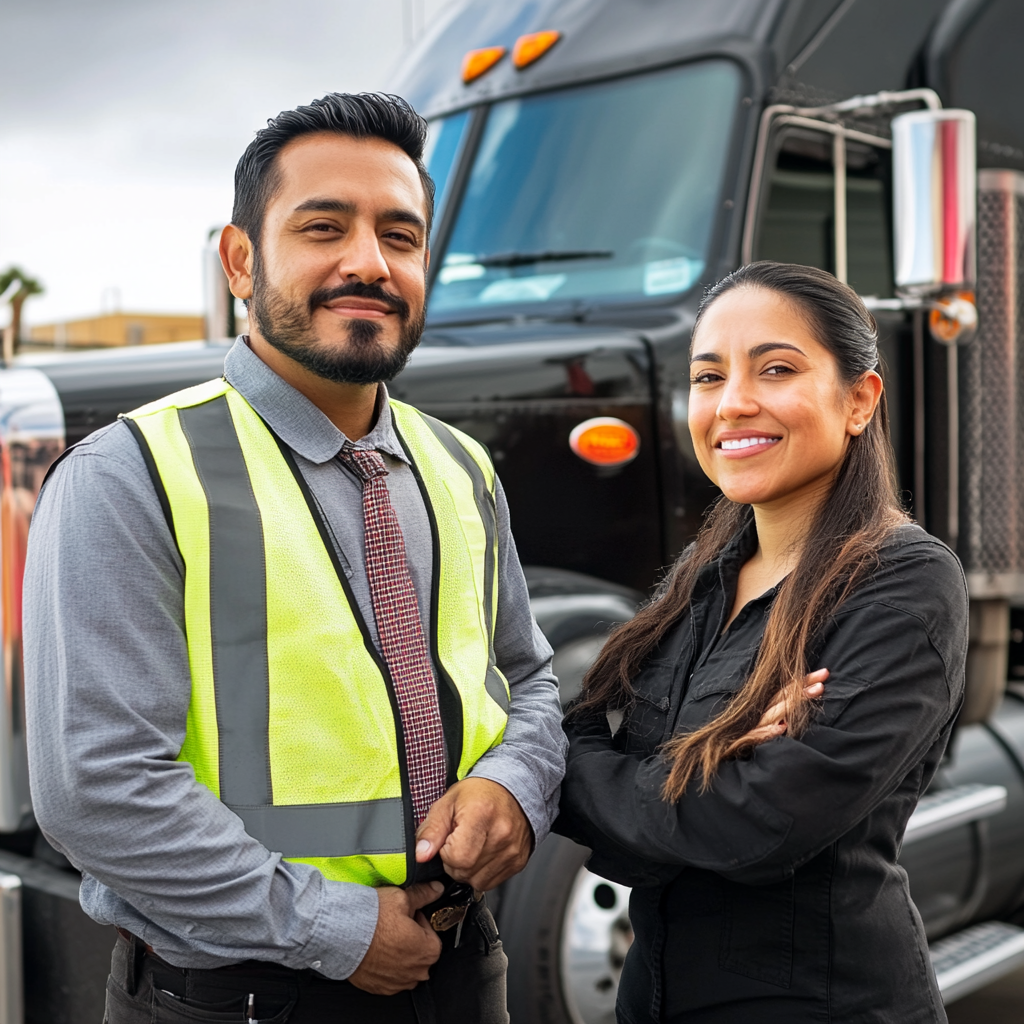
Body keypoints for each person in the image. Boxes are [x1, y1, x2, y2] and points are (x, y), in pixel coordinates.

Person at [23, 92, 565, 1024]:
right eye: (324, 228)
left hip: (465, 974)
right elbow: (98, 788)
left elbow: (532, 684)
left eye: (401, 235)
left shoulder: (461, 466)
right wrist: (336, 930)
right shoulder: (130, 474)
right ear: (241, 259)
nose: (369, 262)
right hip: (238, 997)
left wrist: (514, 788)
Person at [554, 261, 968, 1024]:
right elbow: (577, 730)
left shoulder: (905, 582)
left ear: (858, 399)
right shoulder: (699, 576)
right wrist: (701, 767)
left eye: (776, 369)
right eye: (708, 377)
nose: (733, 403)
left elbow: (753, 824)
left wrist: (596, 778)